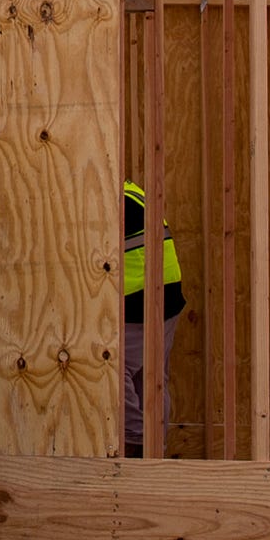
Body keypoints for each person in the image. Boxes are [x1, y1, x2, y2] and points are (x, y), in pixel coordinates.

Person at [121, 179, 185, 456]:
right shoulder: (131, 192)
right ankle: (154, 449)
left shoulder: (113, 200)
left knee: (109, 370)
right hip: (164, 296)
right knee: (151, 377)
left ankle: (137, 443)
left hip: (141, 298)